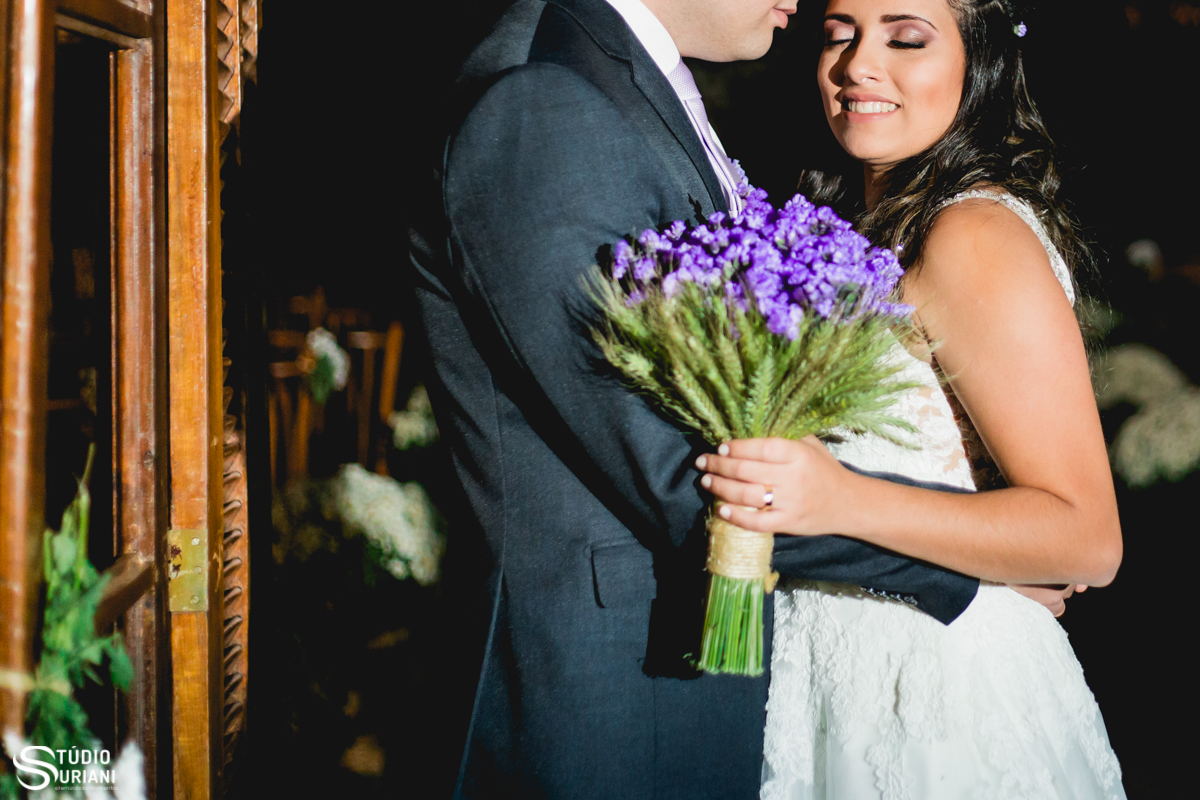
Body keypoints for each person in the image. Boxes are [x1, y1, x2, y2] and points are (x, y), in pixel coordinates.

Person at [404, 0, 1062, 796]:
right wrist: (954, 562)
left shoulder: (624, 79)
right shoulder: (542, 102)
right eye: (844, 32)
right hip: (610, 709)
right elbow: (677, 471)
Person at [693, 1, 1126, 796]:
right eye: (839, 34)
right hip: (826, 673)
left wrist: (843, 502)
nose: (858, 63)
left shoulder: (971, 234)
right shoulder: (855, 226)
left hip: (935, 692)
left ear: (980, 61)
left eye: (906, 38)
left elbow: (1086, 534)